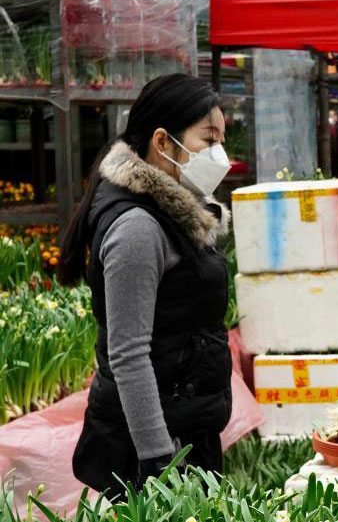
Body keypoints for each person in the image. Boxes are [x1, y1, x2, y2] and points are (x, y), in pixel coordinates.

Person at [57, 74, 233, 498]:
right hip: (148, 453)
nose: (220, 156)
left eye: (222, 140)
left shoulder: (173, 217)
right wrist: (160, 464)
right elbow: (129, 353)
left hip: (185, 430)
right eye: (208, 140)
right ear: (162, 142)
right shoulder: (138, 227)